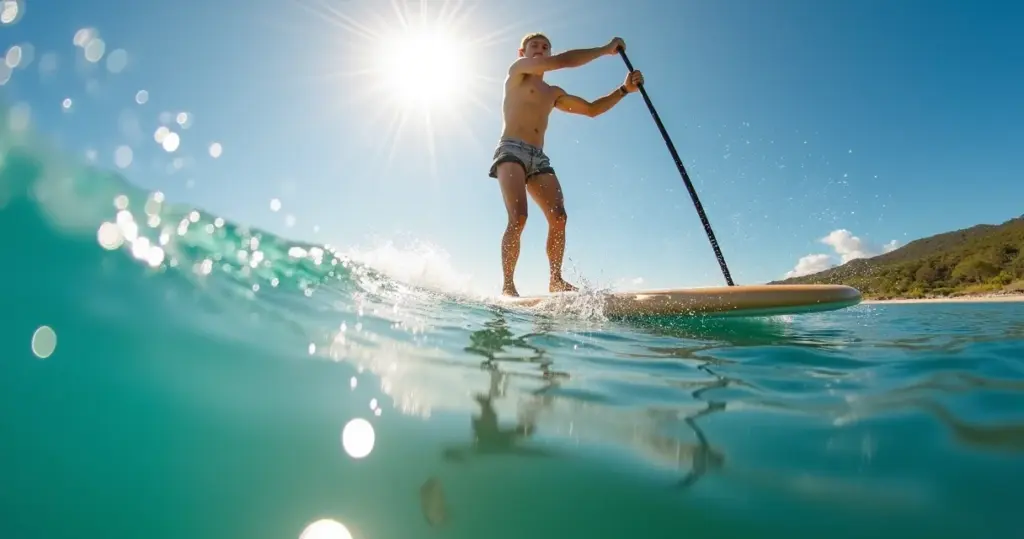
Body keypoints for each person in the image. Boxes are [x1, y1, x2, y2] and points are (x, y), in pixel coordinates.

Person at [488, 33, 644, 297]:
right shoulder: (517, 72)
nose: (540, 49)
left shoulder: (553, 93)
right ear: (521, 52)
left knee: (559, 218)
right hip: (511, 149)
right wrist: (605, 49)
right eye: (534, 46)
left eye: (545, 47)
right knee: (519, 218)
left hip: (538, 157)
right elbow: (562, 62)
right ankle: (508, 286)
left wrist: (623, 90)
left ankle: (555, 280)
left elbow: (592, 109)